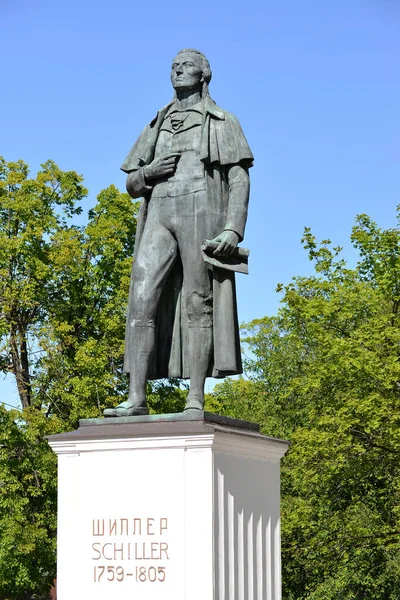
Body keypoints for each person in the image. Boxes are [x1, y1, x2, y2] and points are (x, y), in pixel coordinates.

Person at [104, 49, 253, 417]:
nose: (177, 71)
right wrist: (148, 173)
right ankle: (135, 398)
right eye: (173, 66)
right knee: (140, 300)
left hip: (201, 209)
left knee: (197, 300)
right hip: (159, 214)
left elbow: (239, 177)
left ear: (204, 74)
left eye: (185, 66)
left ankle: (195, 397)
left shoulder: (222, 120)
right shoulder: (158, 121)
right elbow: (131, 182)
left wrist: (233, 228)